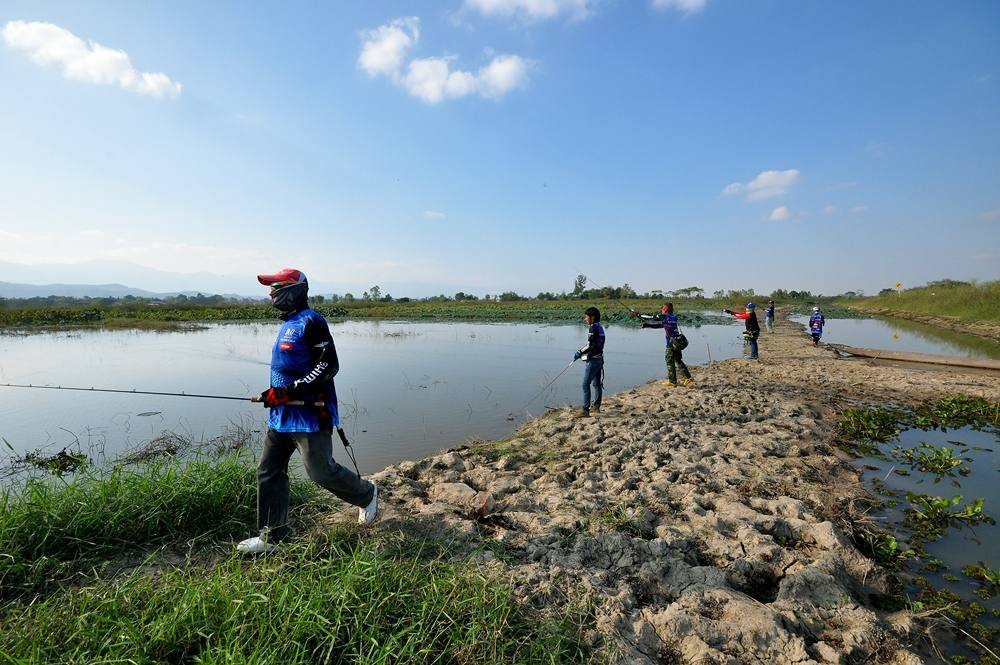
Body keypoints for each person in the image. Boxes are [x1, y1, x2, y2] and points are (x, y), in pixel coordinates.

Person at [238, 268, 378, 554]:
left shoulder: (312, 322)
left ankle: (367, 494)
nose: (271, 292)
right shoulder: (287, 323)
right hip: (281, 417)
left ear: (297, 289)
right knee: (268, 472)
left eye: (277, 286)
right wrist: (273, 394)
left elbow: (329, 366)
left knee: (320, 472)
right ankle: (272, 537)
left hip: (310, 415)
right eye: (270, 287)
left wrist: (290, 391)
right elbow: (285, 371)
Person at [630, 302, 693, 387]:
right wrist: (648, 325)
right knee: (678, 360)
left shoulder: (664, 316)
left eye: (662, 308)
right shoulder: (673, 317)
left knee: (669, 360)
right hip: (677, 342)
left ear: (666, 309)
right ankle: (688, 378)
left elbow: (651, 317)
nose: (661, 310)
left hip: (671, 344)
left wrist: (638, 315)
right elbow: (661, 325)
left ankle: (672, 381)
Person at [573, 306, 605, 417]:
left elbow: (590, 345)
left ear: (592, 317)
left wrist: (579, 353)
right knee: (596, 384)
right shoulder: (600, 327)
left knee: (585, 384)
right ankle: (596, 407)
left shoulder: (593, 328)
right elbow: (596, 345)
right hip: (600, 359)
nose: (585, 319)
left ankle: (585, 410)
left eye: (586, 317)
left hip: (593, 361)